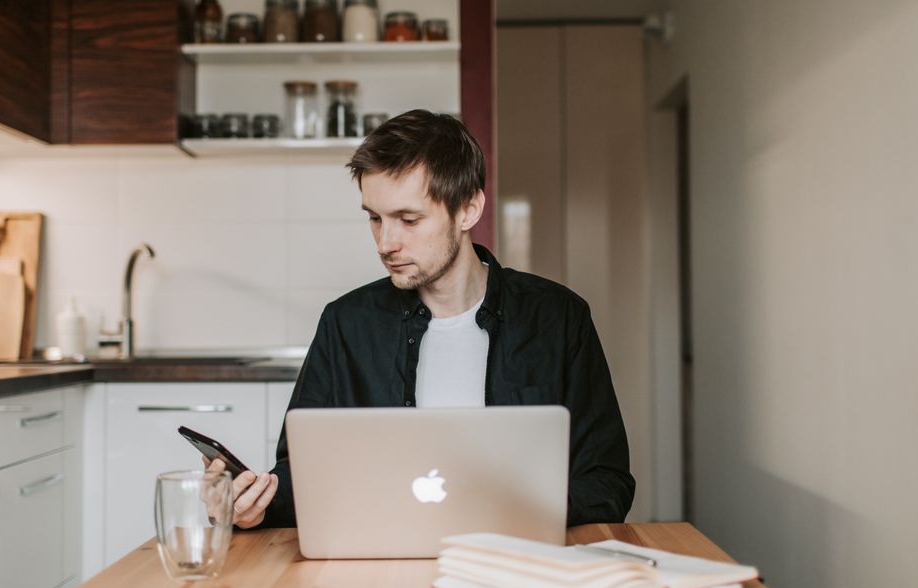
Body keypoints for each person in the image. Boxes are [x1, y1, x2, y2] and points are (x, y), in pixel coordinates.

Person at [207, 109, 635, 529]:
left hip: (516, 563)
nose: (386, 243)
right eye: (375, 218)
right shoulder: (346, 324)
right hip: (378, 567)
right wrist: (254, 505)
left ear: (467, 209)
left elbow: (607, 482)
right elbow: (300, 474)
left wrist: (517, 509)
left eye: (408, 220)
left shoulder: (558, 318)